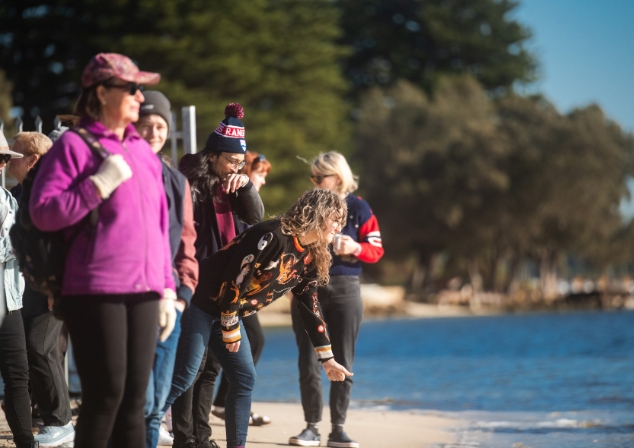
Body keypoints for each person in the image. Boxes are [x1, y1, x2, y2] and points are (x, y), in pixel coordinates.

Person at [29, 53, 177, 448]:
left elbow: (161, 226)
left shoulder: (143, 151)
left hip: (146, 290)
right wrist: (98, 184)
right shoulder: (74, 145)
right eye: (130, 88)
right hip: (95, 288)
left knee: (134, 401)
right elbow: (43, 213)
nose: (138, 96)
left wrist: (166, 288)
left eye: (140, 89)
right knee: (105, 396)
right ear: (100, 92)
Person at [164, 188, 354, 448]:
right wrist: (230, 326)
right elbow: (235, 278)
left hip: (228, 312)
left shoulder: (310, 254)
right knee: (185, 375)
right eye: (336, 219)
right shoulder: (273, 235)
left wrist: (327, 358)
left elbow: (310, 305)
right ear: (318, 214)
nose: (339, 227)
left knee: (244, 378)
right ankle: (141, 426)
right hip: (201, 301)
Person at [171, 103, 264, 448]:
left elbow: (256, 218)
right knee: (187, 373)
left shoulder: (236, 186)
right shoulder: (192, 180)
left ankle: (202, 435)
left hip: (226, 291)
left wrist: (248, 186)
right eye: (230, 162)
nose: (234, 168)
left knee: (211, 369)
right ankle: (183, 436)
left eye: (240, 163)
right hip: (195, 285)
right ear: (212, 156)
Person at [289, 152, 384, 448]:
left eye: (320, 177)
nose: (315, 182)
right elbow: (291, 239)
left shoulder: (359, 207)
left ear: (338, 177)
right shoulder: (308, 203)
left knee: (342, 358)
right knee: (308, 359)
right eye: (313, 177)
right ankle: (311, 428)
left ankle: (338, 430)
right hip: (308, 285)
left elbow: (377, 250)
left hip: (346, 287)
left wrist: (355, 247)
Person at [135, 90, 199, 448]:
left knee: (156, 405)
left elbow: (186, 243)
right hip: (127, 300)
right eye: (146, 125)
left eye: (160, 125)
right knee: (135, 400)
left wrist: (183, 294)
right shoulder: (119, 168)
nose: (154, 132)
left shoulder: (177, 181)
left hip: (169, 303)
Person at [9, 132, 76, 447]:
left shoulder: (51, 189)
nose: (9, 158)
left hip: (52, 284)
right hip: (28, 284)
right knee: (38, 349)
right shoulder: (20, 190)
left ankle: (60, 421)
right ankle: (57, 420)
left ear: (32, 159)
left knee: (40, 346)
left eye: (15, 153)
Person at [211, 151, 272, 426]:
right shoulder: (233, 199)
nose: (264, 181)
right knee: (243, 344)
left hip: (242, 287)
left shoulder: (249, 202)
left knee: (243, 345)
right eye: (260, 174)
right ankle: (223, 404)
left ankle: (225, 403)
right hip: (229, 286)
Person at [0, 129, 35, 448]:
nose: (1, 165)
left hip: (10, 301)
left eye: (3, 159)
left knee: (18, 375)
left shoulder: (9, 198)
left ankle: (25, 440)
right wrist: (20, 247)